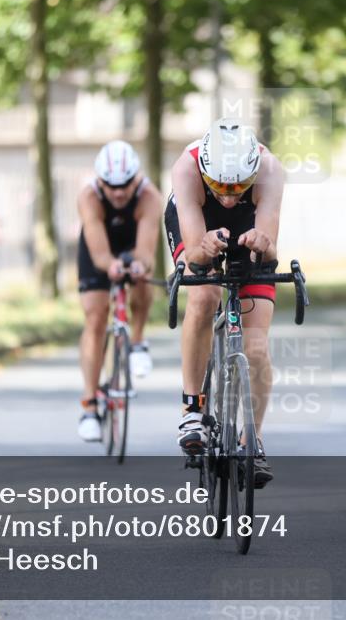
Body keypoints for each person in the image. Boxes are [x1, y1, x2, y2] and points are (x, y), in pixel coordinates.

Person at [164, 118, 284, 488]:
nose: (230, 196)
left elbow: (268, 251)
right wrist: (204, 249)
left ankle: (253, 440)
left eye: (238, 187)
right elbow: (197, 258)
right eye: (219, 186)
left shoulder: (270, 170)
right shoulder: (186, 168)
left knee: (258, 346)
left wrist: (260, 246)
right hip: (199, 224)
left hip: (248, 228)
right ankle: (193, 408)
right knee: (204, 294)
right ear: (204, 171)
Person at [76, 140, 162, 442]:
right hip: (98, 246)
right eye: (111, 186)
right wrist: (110, 265)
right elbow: (100, 256)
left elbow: (147, 252)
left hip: (133, 242)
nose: (118, 192)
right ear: (100, 181)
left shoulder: (150, 197)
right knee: (96, 317)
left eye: (125, 184)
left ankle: (137, 340)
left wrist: (139, 265)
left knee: (140, 277)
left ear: (136, 177)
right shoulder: (89, 197)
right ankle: (89, 404)